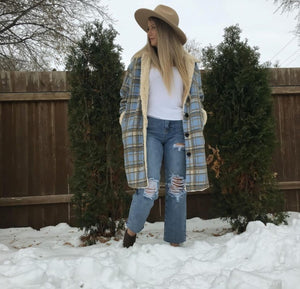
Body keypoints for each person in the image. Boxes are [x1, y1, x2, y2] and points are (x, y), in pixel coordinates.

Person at [119, 4, 209, 248]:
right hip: (150, 130)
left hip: (179, 131)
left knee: (176, 188)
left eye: (154, 28)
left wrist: (198, 117)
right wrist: (124, 118)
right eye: (148, 28)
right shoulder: (139, 61)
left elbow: (197, 98)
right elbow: (125, 95)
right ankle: (129, 235)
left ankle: (175, 244)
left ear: (167, 31)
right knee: (148, 188)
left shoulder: (189, 64)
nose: (149, 33)